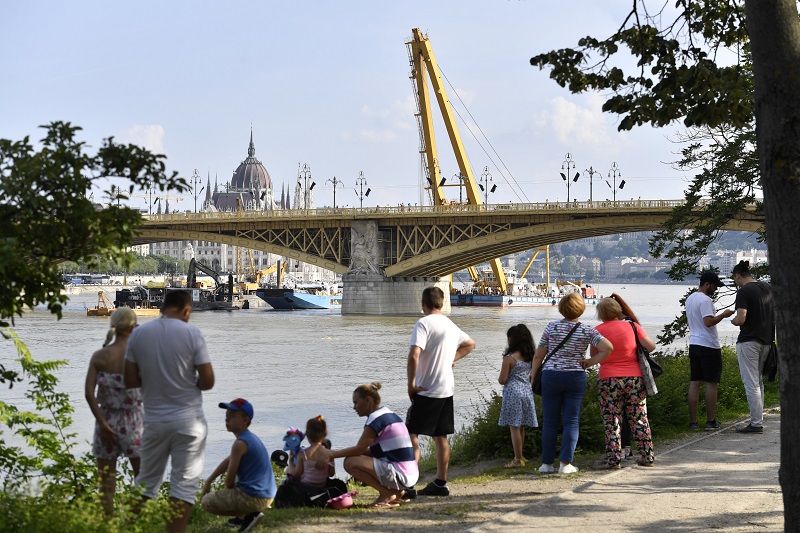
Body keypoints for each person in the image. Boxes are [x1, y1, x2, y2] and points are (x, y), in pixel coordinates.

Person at [124, 290, 215, 533]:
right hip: (189, 421)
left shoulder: (139, 334)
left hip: (154, 421)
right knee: (183, 486)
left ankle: (125, 528)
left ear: (164, 307)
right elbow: (207, 381)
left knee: (145, 483)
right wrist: (188, 382)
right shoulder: (192, 334)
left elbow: (130, 380)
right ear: (186, 310)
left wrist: (155, 381)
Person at [532, 292, 612, 474]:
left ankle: (546, 464)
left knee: (550, 421)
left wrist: (533, 375)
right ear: (581, 309)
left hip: (551, 376)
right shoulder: (588, 330)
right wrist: (590, 362)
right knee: (571, 420)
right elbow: (608, 348)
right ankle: (566, 464)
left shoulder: (551, 327)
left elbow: (539, 355)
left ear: (561, 309)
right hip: (575, 377)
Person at [406, 286, 476, 496]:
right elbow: (470, 344)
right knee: (441, 436)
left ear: (423, 304)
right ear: (442, 303)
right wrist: (451, 359)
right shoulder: (450, 325)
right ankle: (440, 482)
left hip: (426, 388)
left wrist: (410, 384)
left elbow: (413, 355)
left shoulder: (423, 323)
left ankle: (409, 483)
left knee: (411, 433)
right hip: (446, 388)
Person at [84, 307, 143, 514]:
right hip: (134, 422)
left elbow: (89, 394)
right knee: (142, 479)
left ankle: (108, 524)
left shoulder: (100, 356)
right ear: (133, 328)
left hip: (105, 421)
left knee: (106, 484)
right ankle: (135, 522)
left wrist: (103, 423)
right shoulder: (139, 356)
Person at [323, 382, 419, 508]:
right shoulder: (388, 414)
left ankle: (386, 493)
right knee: (353, 457)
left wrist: (331, 454)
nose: (354, 407)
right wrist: (340, 452)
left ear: (368, 400)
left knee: (350, 462)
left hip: (401, 475)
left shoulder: (375, 419)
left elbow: (359, 449)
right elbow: (373, 452)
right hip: (410, 474)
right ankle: (396, 492)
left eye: (356, 402)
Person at [591, 294, 657, 468]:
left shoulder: (597, 331)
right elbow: (651, 346)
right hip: (634, 378)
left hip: (608, 379)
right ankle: (647, 456)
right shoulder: (633, 327)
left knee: (612, 420)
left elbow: (593, 356)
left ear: (601, 314)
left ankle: (614, 459)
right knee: (639, 417)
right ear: (618, 310)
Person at [201, 398, 276, 533]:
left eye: (232, 416)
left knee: (206, 502)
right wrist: (209, 480)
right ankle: (245, 516)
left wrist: (225, 488)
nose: (227, 419)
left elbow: (229, 483)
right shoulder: (250, 439)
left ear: (245, 420)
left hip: (254, 499)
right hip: (267, 495)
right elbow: (229, 460)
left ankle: (248, 515)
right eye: (226, 416)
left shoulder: (239, 444)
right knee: (240, 477)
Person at [686, 271, 735, 430]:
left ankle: (693, 422)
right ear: (707, 284)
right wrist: (724, 314)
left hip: (694, 343)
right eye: (714, 286)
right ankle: (710, 421)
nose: (716, 289)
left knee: (695, 383)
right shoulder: (705, 300)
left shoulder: (690, 299)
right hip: (708, 345)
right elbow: (708, 322)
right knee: (711, 383)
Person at [730, 260, 775, 434]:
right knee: (758, 382)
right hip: (767, 341)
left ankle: (756, 424)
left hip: (749, 341)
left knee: (750, 382)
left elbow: (741, 319)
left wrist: (733, 320)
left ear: (738, 276)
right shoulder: (768, 288)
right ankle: (758, 420)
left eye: (736, 280)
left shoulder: (744, 291)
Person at [497, 324, 538, 468]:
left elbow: (502, 380)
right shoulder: (531, 356)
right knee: (521, 427)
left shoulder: (509, 358)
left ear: (512, 340)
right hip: (526, 392)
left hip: (513, 393)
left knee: (514, 427)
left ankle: (517, 459)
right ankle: (522, 457)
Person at [294, 416, 335, 488]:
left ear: (307, 434)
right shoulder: (329, 454)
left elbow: (297, 475)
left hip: (306, 488)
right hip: (322, 486)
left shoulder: (303, 454)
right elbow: (331, 473)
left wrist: (291, 463)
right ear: (324, 433)